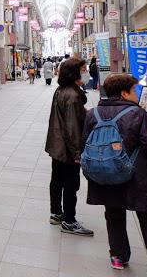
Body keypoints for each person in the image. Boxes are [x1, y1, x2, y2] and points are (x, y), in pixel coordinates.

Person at [82, 74, 147, 274]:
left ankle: (118, 257)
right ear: (124, 92)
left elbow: (85, 143)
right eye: (134, 90)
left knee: (113, 214)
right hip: (136, 172)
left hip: (104, 172)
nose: (136, 94)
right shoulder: (137, 113)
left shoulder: (93, 113)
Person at [45, 57, 93, 236]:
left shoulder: (61, 90)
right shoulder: (73, 95)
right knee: (71, 183)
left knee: (57, 180)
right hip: (67, 148)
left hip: (56, 145)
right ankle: (69, 221)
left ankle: (56, 213)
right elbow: (72, 128)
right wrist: (77, 153)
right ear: (75, 72)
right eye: (84, 69)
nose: (86, 72)